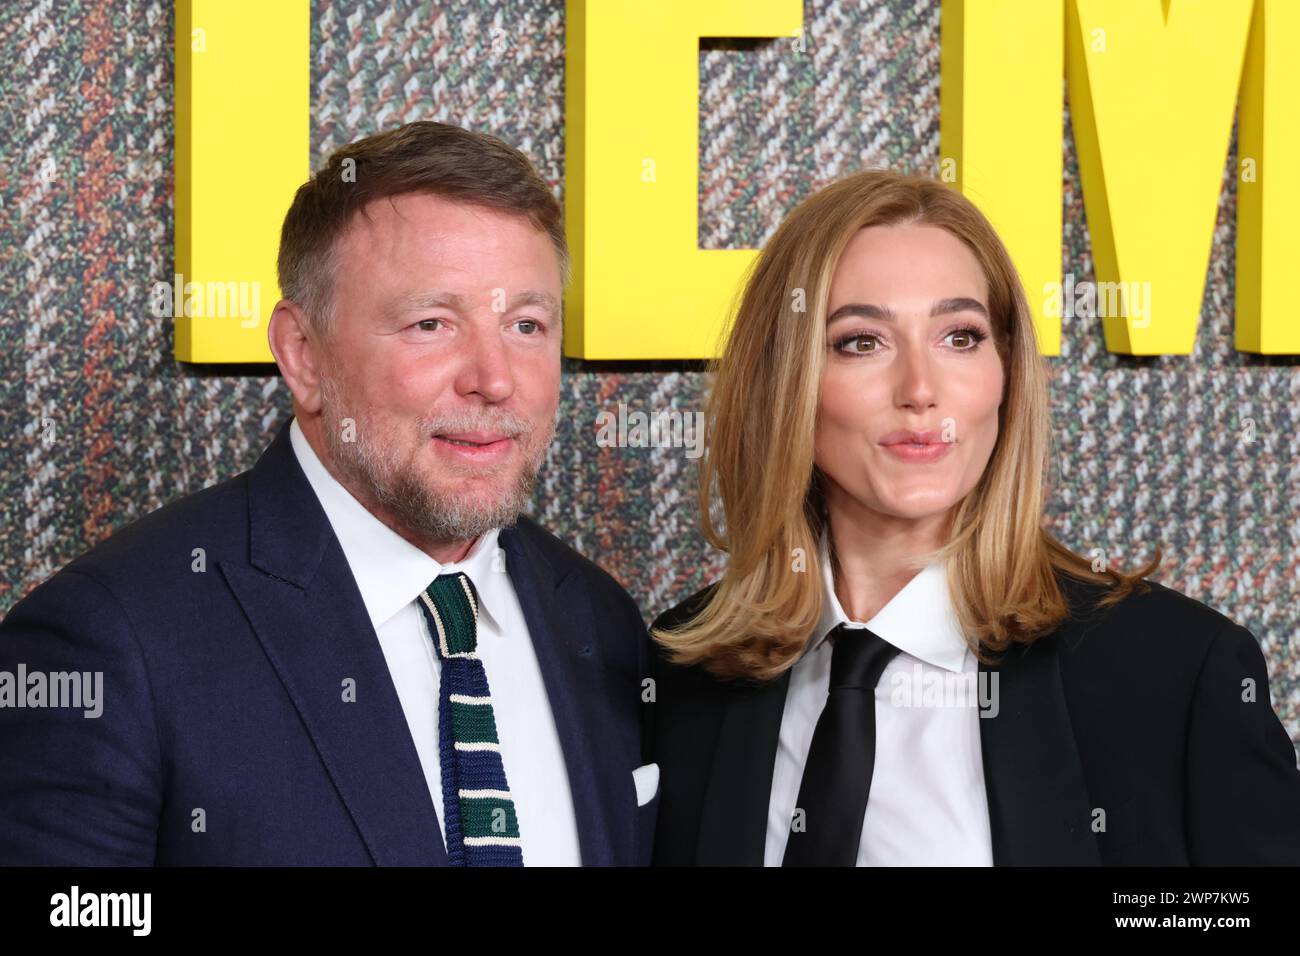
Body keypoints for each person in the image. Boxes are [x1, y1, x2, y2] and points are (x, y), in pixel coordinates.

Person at [0, 121, 656, 866]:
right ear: (303, 356)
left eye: (527, 324)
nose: (495, 377)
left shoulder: (601, 620)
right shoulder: (112, 640)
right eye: (432, 323)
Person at [644, 168, 1300, 866]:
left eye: (960, 337)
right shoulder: (683, 674)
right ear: (782, 380)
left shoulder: (1174, 672)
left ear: (1006, 371)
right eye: (861, 341)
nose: (921, 391)